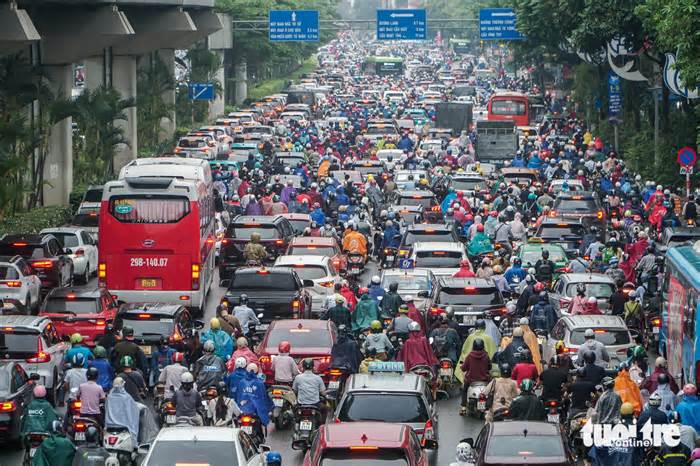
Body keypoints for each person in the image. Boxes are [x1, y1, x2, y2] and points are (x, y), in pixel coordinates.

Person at [459, 338, 491, 415]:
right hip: (485, 380)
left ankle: (463, 407)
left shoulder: (470, 356)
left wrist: (461, 366)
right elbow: (489, 367)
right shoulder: (486, 355)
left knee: (464, 390)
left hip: (471, 381)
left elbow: (464, 368)